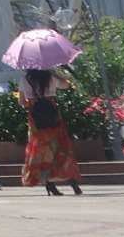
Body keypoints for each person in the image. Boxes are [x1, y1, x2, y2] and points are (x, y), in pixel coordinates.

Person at [19, 68, 83, 196]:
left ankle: (49, 184)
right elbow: (66, 85)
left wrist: (33, 103)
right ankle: (73, 182)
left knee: (42, 151)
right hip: (53, 116)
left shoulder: (25, 79)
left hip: (36, 120)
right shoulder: (51, 77)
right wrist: (55, 73)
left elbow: (22, 102)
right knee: (61, 148)